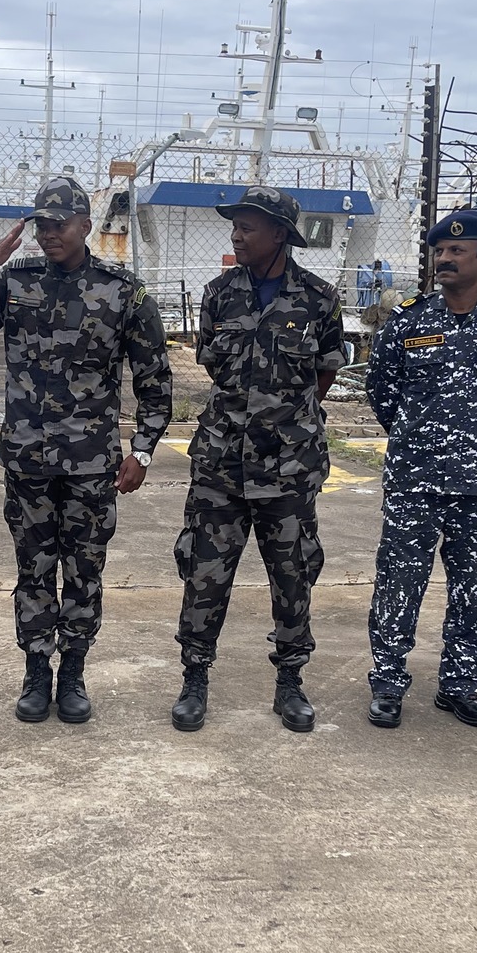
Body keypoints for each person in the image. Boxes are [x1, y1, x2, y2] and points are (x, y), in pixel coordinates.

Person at [0, 176, 172, 724]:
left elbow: (155, 380)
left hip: (93, 464)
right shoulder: (13, 283)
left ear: (85, 226)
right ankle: (35, 670)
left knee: (85, 569)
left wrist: (142, 450)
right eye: (40, 225)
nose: (48, 235)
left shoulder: (124, 292)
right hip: (27, 461)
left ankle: (73, 670)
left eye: (58, 225)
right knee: (34, 569)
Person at [171, 185, 345, 734]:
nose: (237, 234)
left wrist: (283, 420)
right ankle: (195, 677)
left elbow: (324, 371)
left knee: (292, 575)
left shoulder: (319, 299)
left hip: (289, 466)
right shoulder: (219, 293)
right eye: (236, 224)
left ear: (279, 235)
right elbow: (212, 365)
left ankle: (290, 682)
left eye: (248, 226)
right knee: (204, 573)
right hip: (221, 463)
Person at [362, 208, 477, 731]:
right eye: (440, 251)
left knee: (473, 586)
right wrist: (417, 437)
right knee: (399, 583)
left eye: (458, 251)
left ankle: (460, 686)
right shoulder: (409, 319)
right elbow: (381, 390)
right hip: (415, 479)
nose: (445, 258)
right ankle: (389, 685)